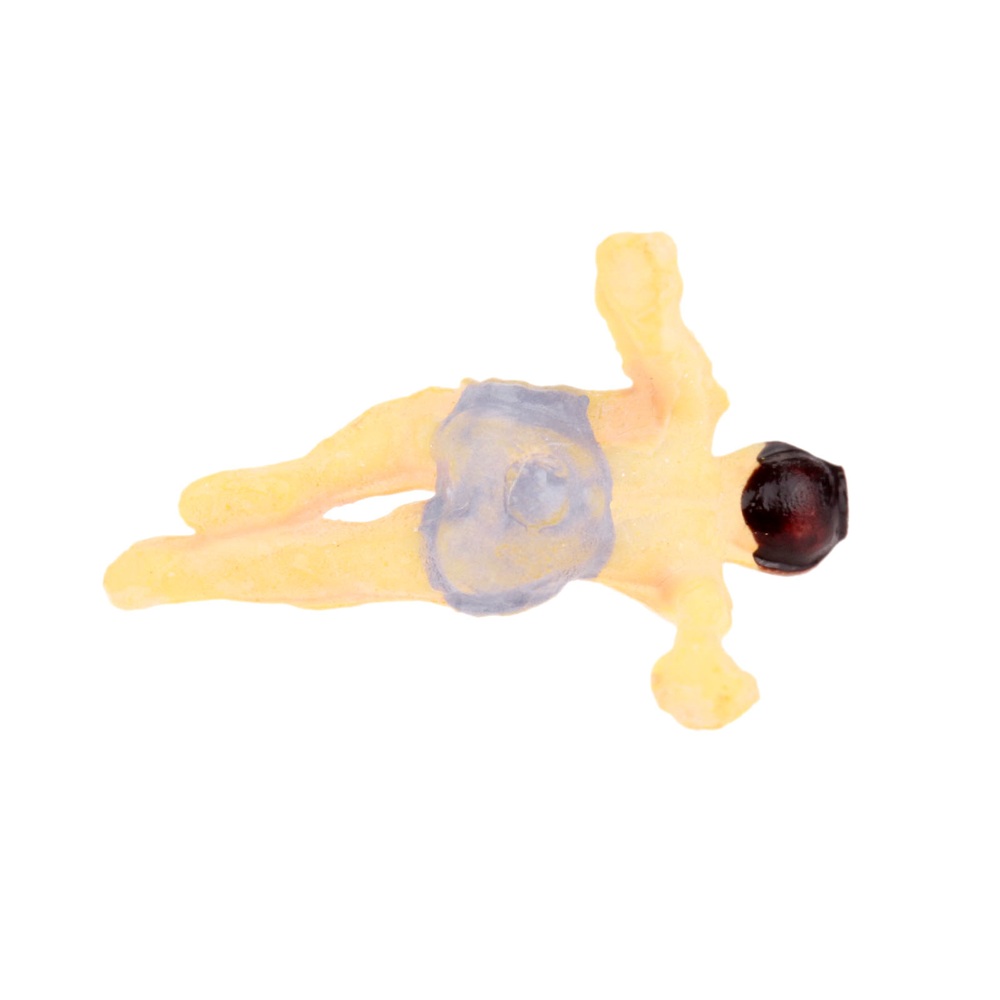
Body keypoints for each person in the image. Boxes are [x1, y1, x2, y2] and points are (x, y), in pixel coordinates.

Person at [104, 233, 847, 728]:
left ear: (758, 453)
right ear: (764, 561)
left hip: (496, 462)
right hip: (497, 516)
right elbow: (655, 331)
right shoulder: (694, 518)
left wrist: (642, 288)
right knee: (332, 557)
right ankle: (209, 553)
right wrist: (642, 291)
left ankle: (234, 533)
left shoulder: (691, 430)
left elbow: (656, 334)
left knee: (340, 533)